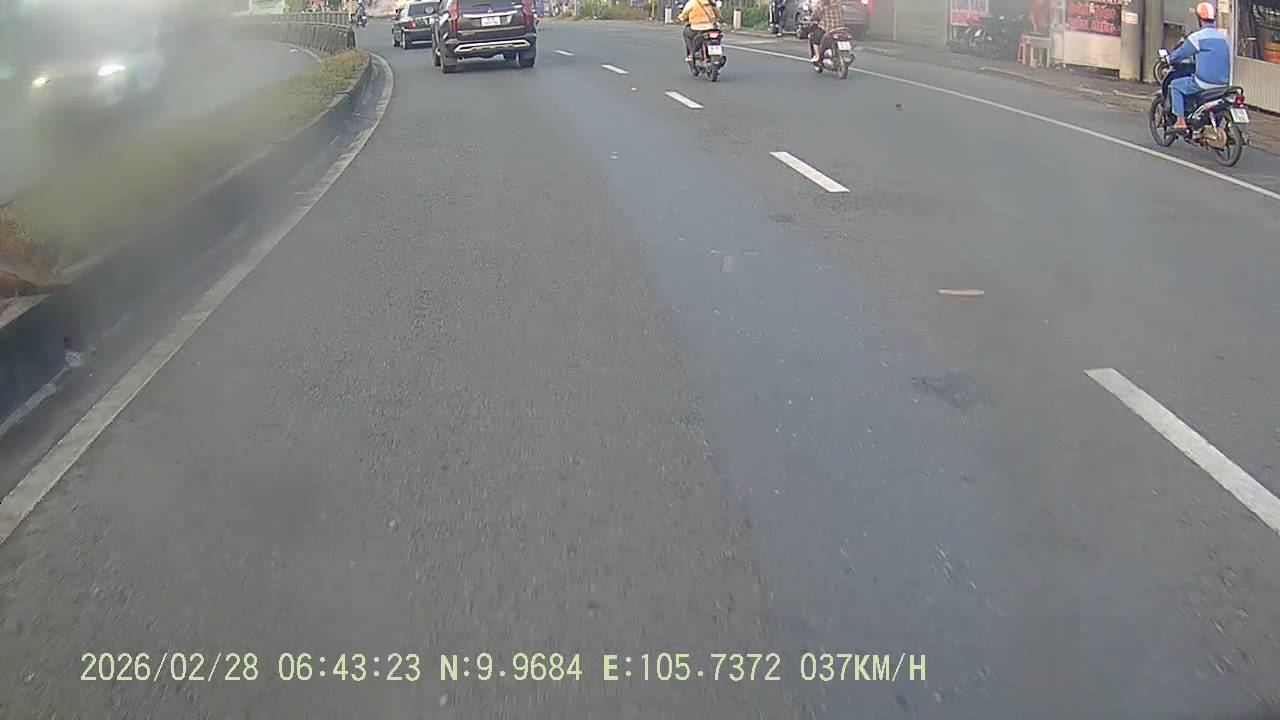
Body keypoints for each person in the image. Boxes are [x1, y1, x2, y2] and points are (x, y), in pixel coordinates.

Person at [1167, 2, 1231, 131]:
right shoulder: (1224, 38)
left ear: (1199, 19)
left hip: (1204, 83)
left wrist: (1168, 59)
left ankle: (1180, 121)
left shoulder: (1197, 38)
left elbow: (1180, 53)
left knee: (1175, 85)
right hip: (1223, 84)